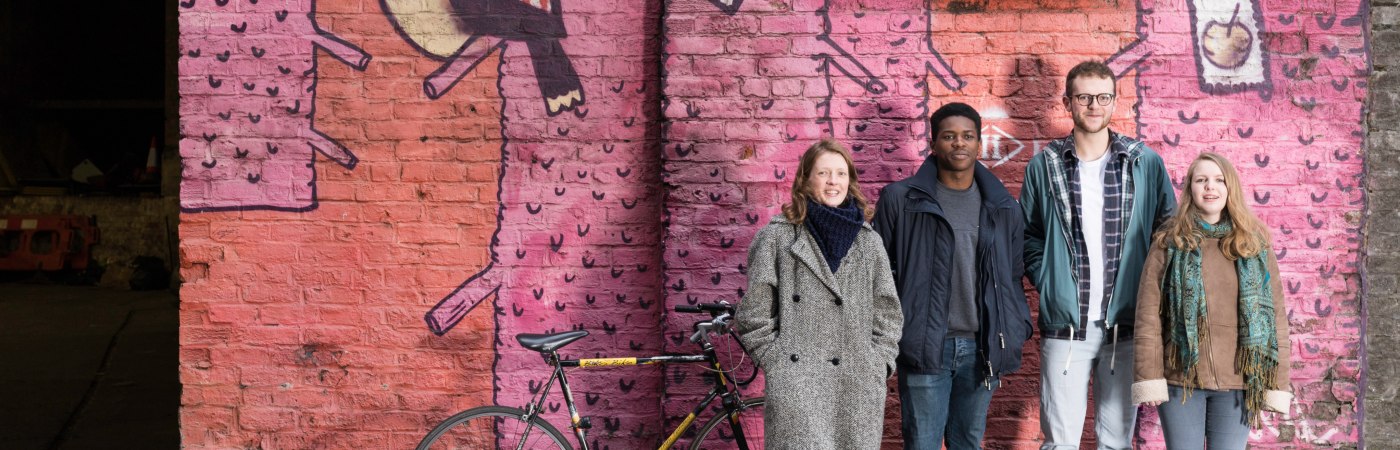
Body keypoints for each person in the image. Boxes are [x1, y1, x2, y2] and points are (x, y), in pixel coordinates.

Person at [1020, 60, 1177, 449]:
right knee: (1059, 443)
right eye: (1084, 97)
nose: (1094, 105)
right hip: (1065, 329)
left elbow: (1168, 232)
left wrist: (1149, 292)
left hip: (1125, 326)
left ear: (1114, 101)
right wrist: (1049, 279)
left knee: (1116, 443)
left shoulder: (1144, 162)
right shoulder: (1045, 164)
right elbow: (1027, 235)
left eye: (1103, 97)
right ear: (1068, 102)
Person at [872, 102, 1032, 450]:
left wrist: (1016, 325)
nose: (958, 143)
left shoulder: (1003, 207)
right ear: (934, 142)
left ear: (978, 144)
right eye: (949, 136)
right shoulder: (901, 200)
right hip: (926, 345)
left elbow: (1012, 274)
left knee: (967, 443)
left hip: (982, 347)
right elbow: (877, 273)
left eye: (967, 136)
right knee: (923, 444)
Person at [735, 139, 904, 448]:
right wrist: (778, 364)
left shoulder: (869, 242)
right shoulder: (777, 238)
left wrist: (877, 362)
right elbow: (753, 314)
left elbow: (888, 313)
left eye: (840, 174)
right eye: (823, 173)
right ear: (806, 179)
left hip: (856, 384)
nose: (832, 182)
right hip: (797, 388)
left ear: (850, 181)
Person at [1131, 152, 1291, 449]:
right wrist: (1149, 375)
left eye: (1219, 180)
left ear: (1230, 188)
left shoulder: (1253, 246)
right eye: (1201, 180)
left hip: (1238, 383)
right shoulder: (1168, 243)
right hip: (1182, 380)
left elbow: (1276, 319)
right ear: (1190, 189)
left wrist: (1277, 384)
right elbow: (1149, 316)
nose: (1210, 187)